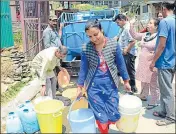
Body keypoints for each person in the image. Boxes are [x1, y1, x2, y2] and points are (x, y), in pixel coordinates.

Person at [76, 19, 131, 133]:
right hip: (94, 87)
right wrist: (79, 86)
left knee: (112, 111)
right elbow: (83, 69)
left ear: (101, 30)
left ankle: (106, 128)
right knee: (100, 115)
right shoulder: (86, 48)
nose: (93, 39)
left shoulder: (113, 44)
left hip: (110, 86)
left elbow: (121, 64)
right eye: (90, 36)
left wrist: (126, 81)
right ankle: (104, 131)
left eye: (96, 34)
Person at [149, 2, 175, 126]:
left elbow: (162, 44)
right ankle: (164, 111)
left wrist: (153, 61)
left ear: (164, 9)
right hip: (172, 61)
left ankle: (170, 117)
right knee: (165, 88)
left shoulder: (165, 22)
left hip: (164, 61)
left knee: (167, 90)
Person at [129, 18, 160, 110]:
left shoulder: (159, 37)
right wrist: (131, 24)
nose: (148, 24)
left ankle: (154, 101)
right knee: (144, 80)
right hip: (143, 63)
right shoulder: (145, 35)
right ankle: (143, 95)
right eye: (148, 23)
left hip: (152, 63)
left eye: (150, 23)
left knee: (153, 83)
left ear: (156, 26)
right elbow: (134, 35)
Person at [113, 14, 138, 94]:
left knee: (130, 71)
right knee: (125, 70)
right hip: (124, 53)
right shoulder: (122, 29)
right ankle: (129, 87)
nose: (117, 24)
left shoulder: (128, 29)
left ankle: (133, 88)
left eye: (118, 22)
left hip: (129, 53)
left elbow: (133, 41)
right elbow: (118, 37)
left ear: (123, 20)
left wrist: (126, 49)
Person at [43, 15, 64, 91]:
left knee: (58, 71)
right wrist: (54, 53)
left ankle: (59, 87)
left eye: (56, 21)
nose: (55, 22)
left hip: (58, 55)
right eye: (53, 21)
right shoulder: (47, 32)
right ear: (49, 21)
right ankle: (53, 89)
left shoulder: (54, 30)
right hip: (53, 56)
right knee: (53, 73)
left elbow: (58, 38)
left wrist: (61, 28)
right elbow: (47, 45)